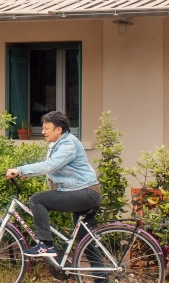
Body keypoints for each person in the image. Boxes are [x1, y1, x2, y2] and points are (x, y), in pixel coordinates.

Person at [6, 110, 102, 259]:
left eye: (46, 128)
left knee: (37, 200)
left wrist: (20, 170)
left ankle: (45, 245)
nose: (43, 132)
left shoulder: (68, 144)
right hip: (84, 192)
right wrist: (27, 174)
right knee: (87, 244)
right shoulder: (59, 143)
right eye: (42, 128)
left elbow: (51, 165)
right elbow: (55, 168)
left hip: (85, 193)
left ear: (59, 129)